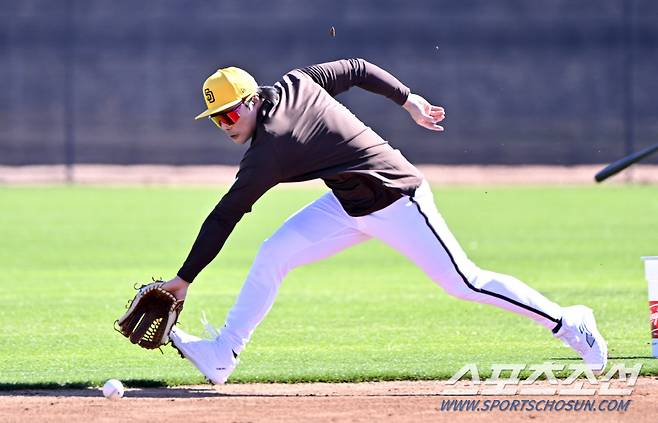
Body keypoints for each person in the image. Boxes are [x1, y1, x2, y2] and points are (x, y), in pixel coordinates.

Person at [160, 58, 607, 384]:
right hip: (348, 205)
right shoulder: (297, 81)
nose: (225, 123)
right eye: (216, 118)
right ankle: (223, 354)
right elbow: (356, 67)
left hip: (398, 199)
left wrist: (183, 279)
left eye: (232, 111)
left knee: (465, 282)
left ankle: (570, 323)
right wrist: (408, 99)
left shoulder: (270, 149)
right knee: (273, 253)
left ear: (254, 99)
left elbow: (226, 215)